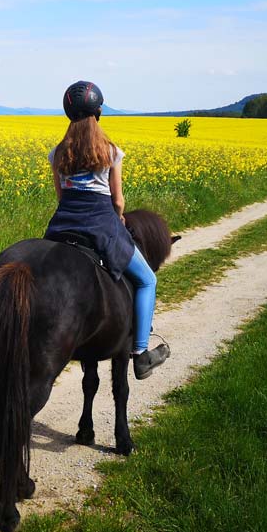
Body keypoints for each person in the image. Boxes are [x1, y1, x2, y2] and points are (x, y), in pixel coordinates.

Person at [44, 81, 169, 379]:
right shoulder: (111, 151)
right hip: (101, 225)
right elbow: (118, 200)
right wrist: (119, 219)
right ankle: (140, 353)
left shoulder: (57, 153)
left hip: (61, 224)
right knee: (147, 280)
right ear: (99, 112)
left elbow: (61, 196)